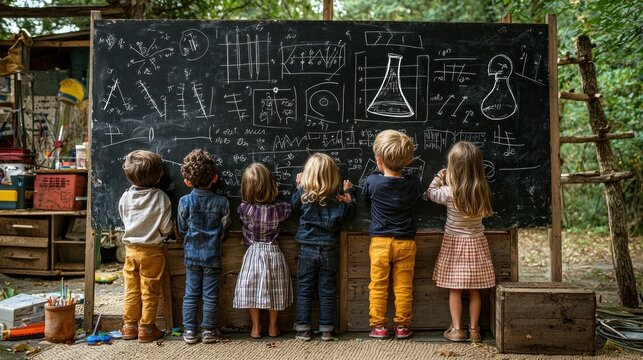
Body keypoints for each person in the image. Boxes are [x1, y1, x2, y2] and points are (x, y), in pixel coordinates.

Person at [427, 141, 495, 342]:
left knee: (454, 289)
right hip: (476, 244)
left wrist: (439, 177)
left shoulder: (450, 192)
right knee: (475, 289)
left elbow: (430, 193)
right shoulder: (481, 189)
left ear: (453, 167)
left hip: (454, 245)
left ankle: (457, 329)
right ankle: (474, 330)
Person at [362, 129, 423, 340]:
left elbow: (365, 200)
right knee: (404, 286)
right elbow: (416, 200)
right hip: (406, 242)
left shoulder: (372, 182)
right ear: (409, 159)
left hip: (380, 242)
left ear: (378, 160)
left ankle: (379, 327)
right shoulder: (414, 183)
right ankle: (402, 326)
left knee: (377, 285)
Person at [291, 153, 355, 341]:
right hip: (329, 249)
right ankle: (326, 329)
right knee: (327, 289)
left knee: (304, 288)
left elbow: (292, 206)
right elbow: (348, 213)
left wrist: (300, 186)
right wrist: (349, 194)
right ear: (333, 176)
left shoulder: (304, 196)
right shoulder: (338, 201)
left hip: (306, 249)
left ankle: (303, 328)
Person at [233, 163, 293, 339]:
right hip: (273, 252)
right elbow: (289, 209)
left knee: (252, 290)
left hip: (253, 253)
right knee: (274, 290)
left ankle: (255, 328)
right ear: (271, 186)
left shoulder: (244, 209)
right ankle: (273, 327)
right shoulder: (280, 209)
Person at [119, 150, 173, 343]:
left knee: (131, 289)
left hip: (131, 250)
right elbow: (166, 228)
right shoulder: (161, 198)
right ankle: (147, 328)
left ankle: (128, 327)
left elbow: (124, 219)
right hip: (152, 251)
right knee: (149, 290)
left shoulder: (125, 197)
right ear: (159, 177)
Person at [177, 149, 230, 344]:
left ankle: (190, 331)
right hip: (212, 255)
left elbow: (182, 228)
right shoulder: (222, 202)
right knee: (210, 296)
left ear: (187, 182)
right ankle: (208, 331)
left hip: (191, 255)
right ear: (214, 178)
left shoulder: (184, 201)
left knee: (190, 294)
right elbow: (225, 228)